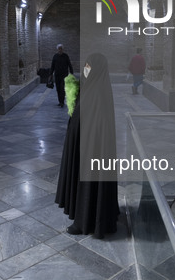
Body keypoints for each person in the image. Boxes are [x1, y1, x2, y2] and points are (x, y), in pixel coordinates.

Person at [55, 53, 119, 239]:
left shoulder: (97, 93)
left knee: (89, 182)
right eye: (86, 66)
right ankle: (99, 217)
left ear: (97, 69)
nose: (86, 70)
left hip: (91, 151)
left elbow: (96, 128)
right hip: (86, 147)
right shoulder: (92, 88)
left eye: (89, 67)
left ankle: (86, 221)